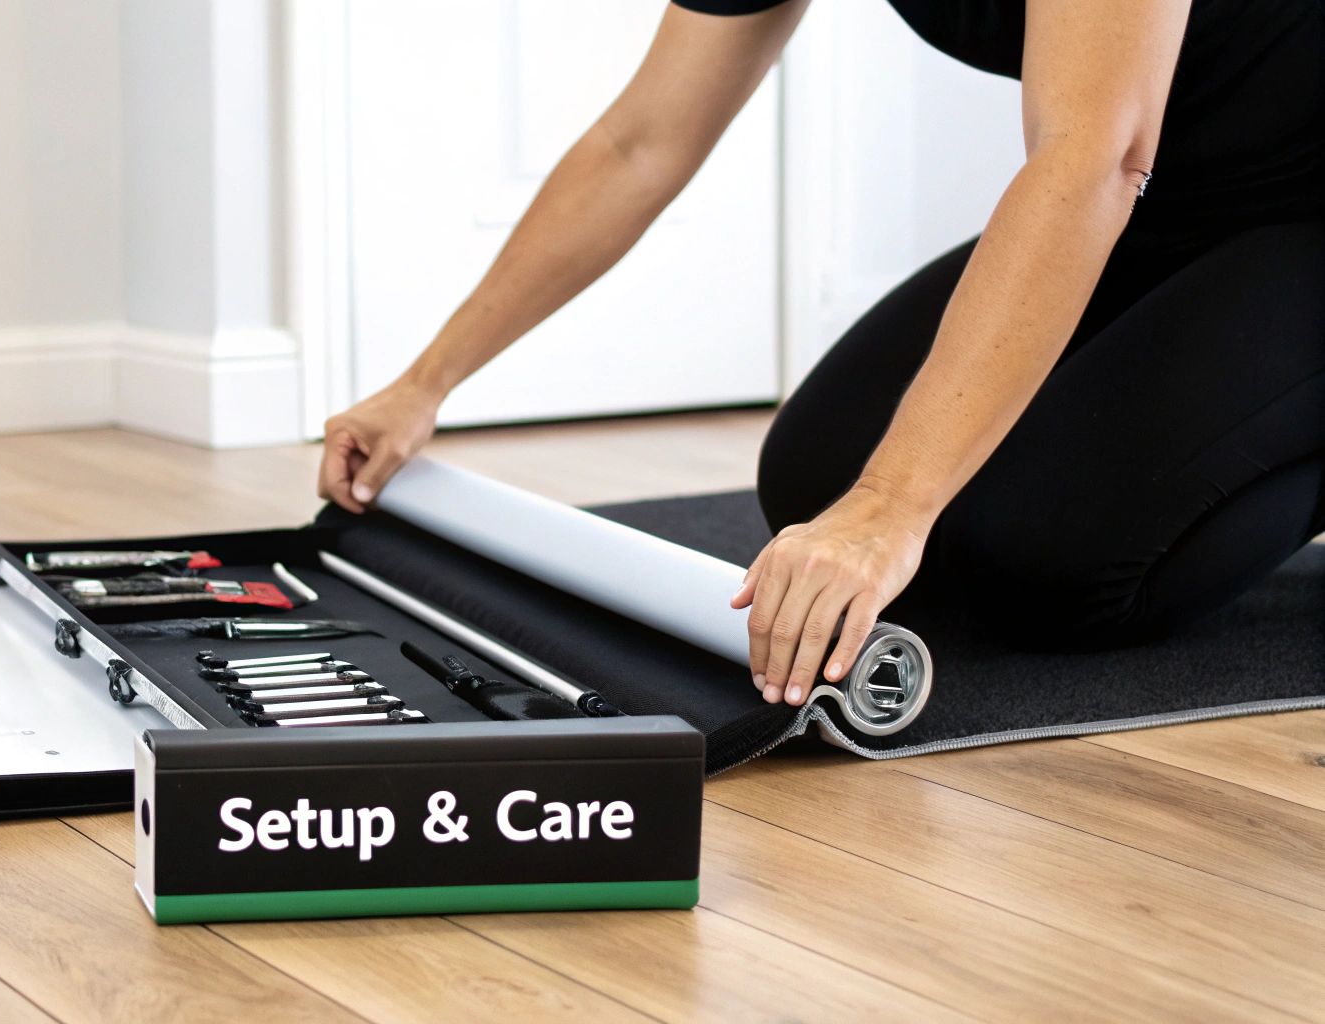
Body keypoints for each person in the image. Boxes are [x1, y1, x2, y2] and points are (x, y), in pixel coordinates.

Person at [318, 0, 1324, 708]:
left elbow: (1092, 153)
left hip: (1267, 194)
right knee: (819, 472)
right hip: (1176, 192)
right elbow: (641, 141)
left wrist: (892, 510)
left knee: (1049, 561)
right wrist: (424, 382)